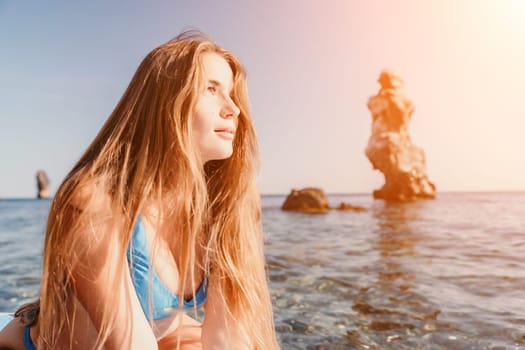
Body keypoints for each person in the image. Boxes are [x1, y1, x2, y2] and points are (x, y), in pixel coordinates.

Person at [0, 30, 279, 350]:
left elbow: (227, 339)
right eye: (211, 89)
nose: (233, 109)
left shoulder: (227, 203)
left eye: (232, 94)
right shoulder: (94, 202)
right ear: (164, 101)